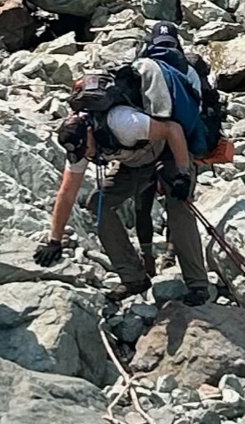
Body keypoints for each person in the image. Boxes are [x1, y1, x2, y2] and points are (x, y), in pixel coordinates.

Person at [33, 54, 211, 301]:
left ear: (89, 133)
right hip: (134, 162)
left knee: (179, 206)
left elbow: (173, 129)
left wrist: (181, 173)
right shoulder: (80, 145)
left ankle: (198, 286)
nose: (88, 156)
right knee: (99, 204)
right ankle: (134, 279)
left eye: (87, 150)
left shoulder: (123, 122)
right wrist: (54, 240)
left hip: (168, 152)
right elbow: (67, 192)